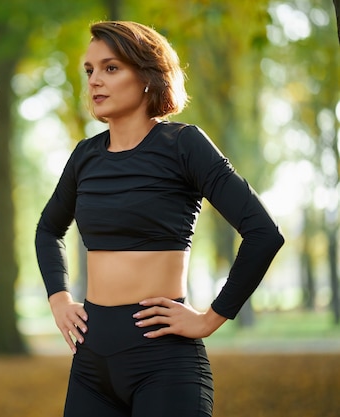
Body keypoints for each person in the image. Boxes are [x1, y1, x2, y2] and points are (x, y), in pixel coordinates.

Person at [35, 21, 284, 417]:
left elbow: (263, 233)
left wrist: (210, 318)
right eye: (90, 70)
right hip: (90, 366)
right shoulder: (85, 156)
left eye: (111, 68)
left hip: (164, 364)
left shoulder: (183, 144)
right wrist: (59, 298)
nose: (95, 81)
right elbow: (49, 229)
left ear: (148, 76)